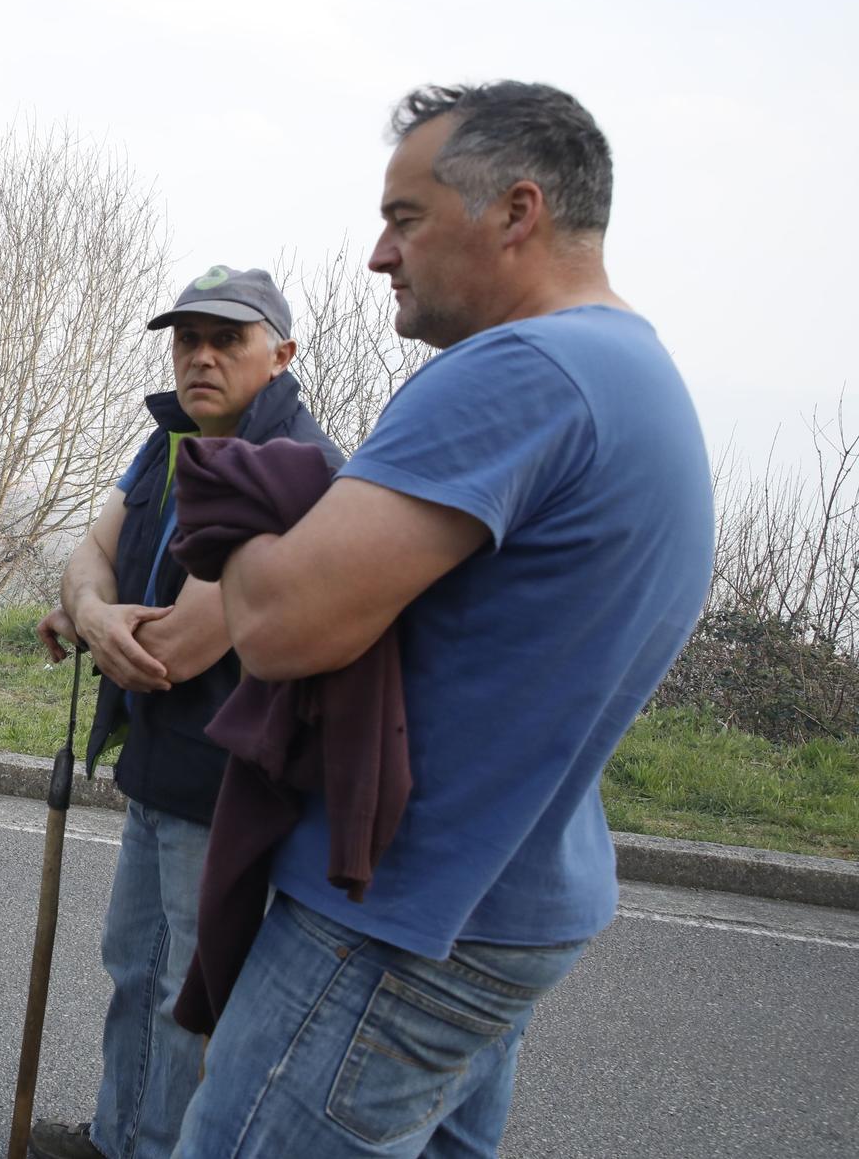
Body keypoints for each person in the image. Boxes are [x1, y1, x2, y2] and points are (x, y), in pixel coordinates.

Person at [168, 83, 713, 1159]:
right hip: (508, 900)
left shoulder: (519, 374)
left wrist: (230, 512)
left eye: (404, 217)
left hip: (393, 923)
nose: (378, 254)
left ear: (516, 213)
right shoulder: (635, 371)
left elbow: (276, 626)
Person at [29, 268, 342, 1159]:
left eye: (227, 339)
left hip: (224, 779)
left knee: (184, 988)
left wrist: (98, 614)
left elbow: (176, 648)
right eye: (186, 339)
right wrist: (91, 608)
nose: (200, 356)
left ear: (280, 354)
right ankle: (119, 1134)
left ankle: (152, 1148)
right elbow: (91, 552)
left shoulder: (291, 468)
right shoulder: (169, 439)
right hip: (165, 765)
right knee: (138, 968)